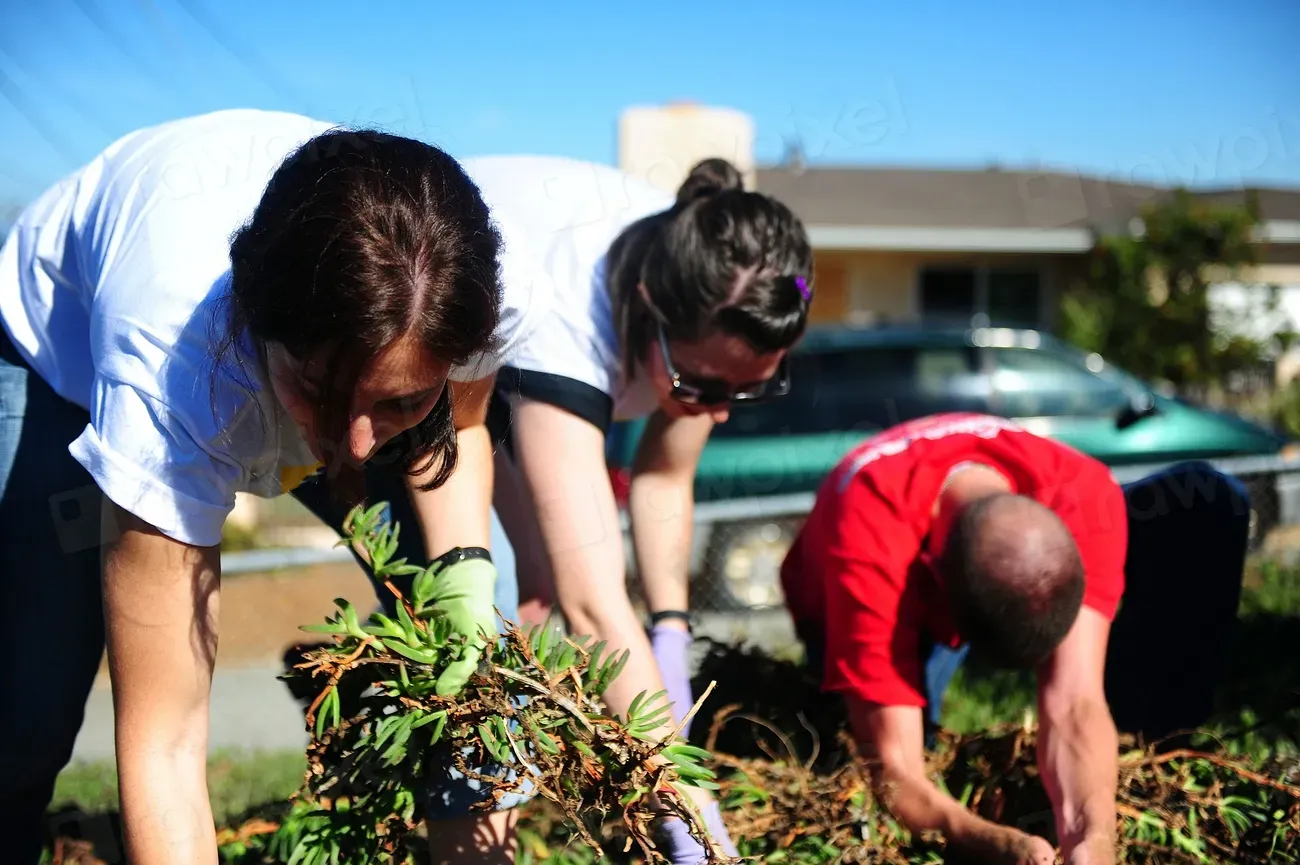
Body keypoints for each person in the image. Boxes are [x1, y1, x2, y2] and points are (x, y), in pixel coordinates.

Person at [0, 108, 527, 865]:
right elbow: (166, 743)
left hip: (318, 345)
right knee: (30, 694)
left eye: (403, 400)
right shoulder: (170, 371)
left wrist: (464, 577)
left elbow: (465, 426)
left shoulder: (462, 282)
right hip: (55, 361)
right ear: (254, 327)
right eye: (318, 391)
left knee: (478, 613)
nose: (357, 446)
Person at [469, 153, 814, 857]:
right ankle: (475, 826)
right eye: (704, 386)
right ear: (649, 306)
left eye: (748, 389)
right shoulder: (570, 319)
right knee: (493, 610)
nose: (719, 411)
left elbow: (661, 476)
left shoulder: (712, 279)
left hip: (491, 383)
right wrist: (695, 827)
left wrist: (670, 634)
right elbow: (594, 606)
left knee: (539, 601)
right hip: (384, 350)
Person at [778, 411, 1251, 865]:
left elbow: (1074, 702)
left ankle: (1157, 742)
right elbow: (895, 773)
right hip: (836, 601)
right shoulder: (868, 540)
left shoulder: (1084, 493)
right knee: (884, 753)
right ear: (934, 586)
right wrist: (988, 841)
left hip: (953, 551)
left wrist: (1093, 838)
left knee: (1212, 493)